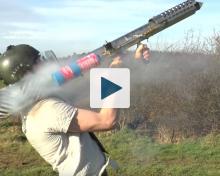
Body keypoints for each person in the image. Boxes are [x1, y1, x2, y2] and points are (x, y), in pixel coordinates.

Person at [0, 44, 150, 176]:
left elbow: (95, 91)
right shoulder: (46, 110)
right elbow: (107, 120)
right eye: (38, 62)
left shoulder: (39, 103)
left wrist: (130, 63)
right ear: (26, 74)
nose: (45, 64)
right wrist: (116, 72)